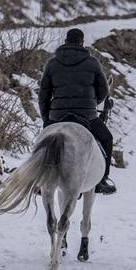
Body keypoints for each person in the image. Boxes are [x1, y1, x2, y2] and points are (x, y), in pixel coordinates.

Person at [38, 28, 116, 195]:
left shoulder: (52, 63)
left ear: (65, 42)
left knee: (41, 143)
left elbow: (43, 96)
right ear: (82, 43)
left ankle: (38, 179)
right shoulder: (93, 63)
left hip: (58, 116)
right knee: (106, 138)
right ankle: (102, 180)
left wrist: (47, 121)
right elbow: (103, 91)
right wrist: (90, 104)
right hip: (86, 116)